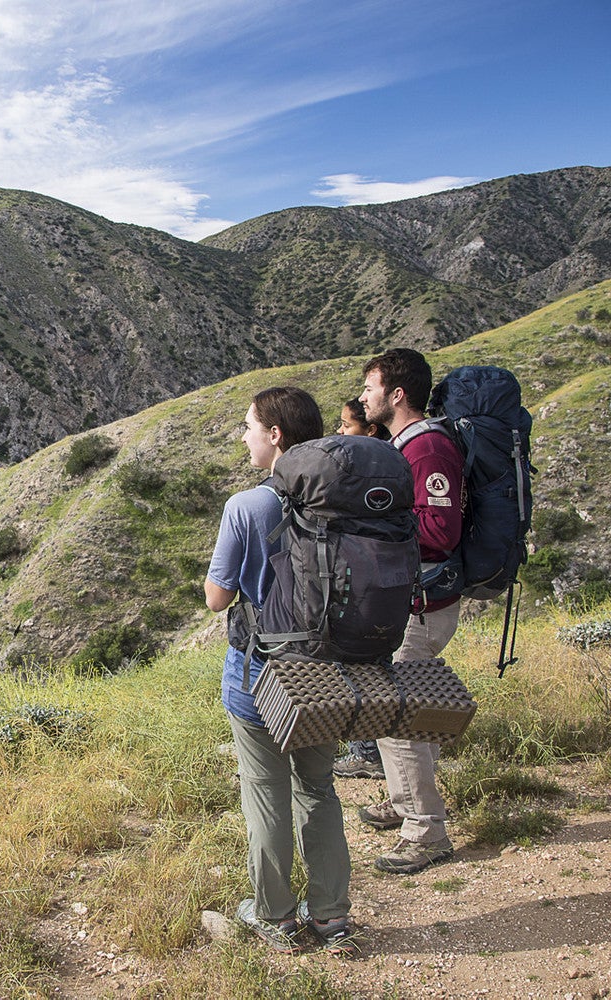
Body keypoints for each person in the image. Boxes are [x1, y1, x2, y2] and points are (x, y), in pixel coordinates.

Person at [205, 386, 358, 956]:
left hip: (260, 675)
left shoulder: (248, 506)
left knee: (266, 793)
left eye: (248, 426)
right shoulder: (344, 499)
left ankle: (274, 916)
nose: (243, 436)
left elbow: (217, 599)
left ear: (275, 435)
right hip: (325, 673)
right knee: (318, 789)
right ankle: (333, 917)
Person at [357, 349, 464, 875]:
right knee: (399, 709)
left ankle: (425, 831)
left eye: (371, 387)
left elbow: (441, 532)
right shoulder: (405, 445)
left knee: (397, 715)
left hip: (420, 605)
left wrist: (374, 530)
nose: (363, 397)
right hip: (409, 601)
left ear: (397, 394)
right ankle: (404, 803)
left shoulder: (426, 448)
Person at [332, 397, 391, 780]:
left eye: (346, 425)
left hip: (364, 580)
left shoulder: (366, 472)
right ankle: (372, 748)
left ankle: (367, 752)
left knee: (357, 666)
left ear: (369, 430)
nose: (339, 432)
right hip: (387, 579)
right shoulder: (391, 469)